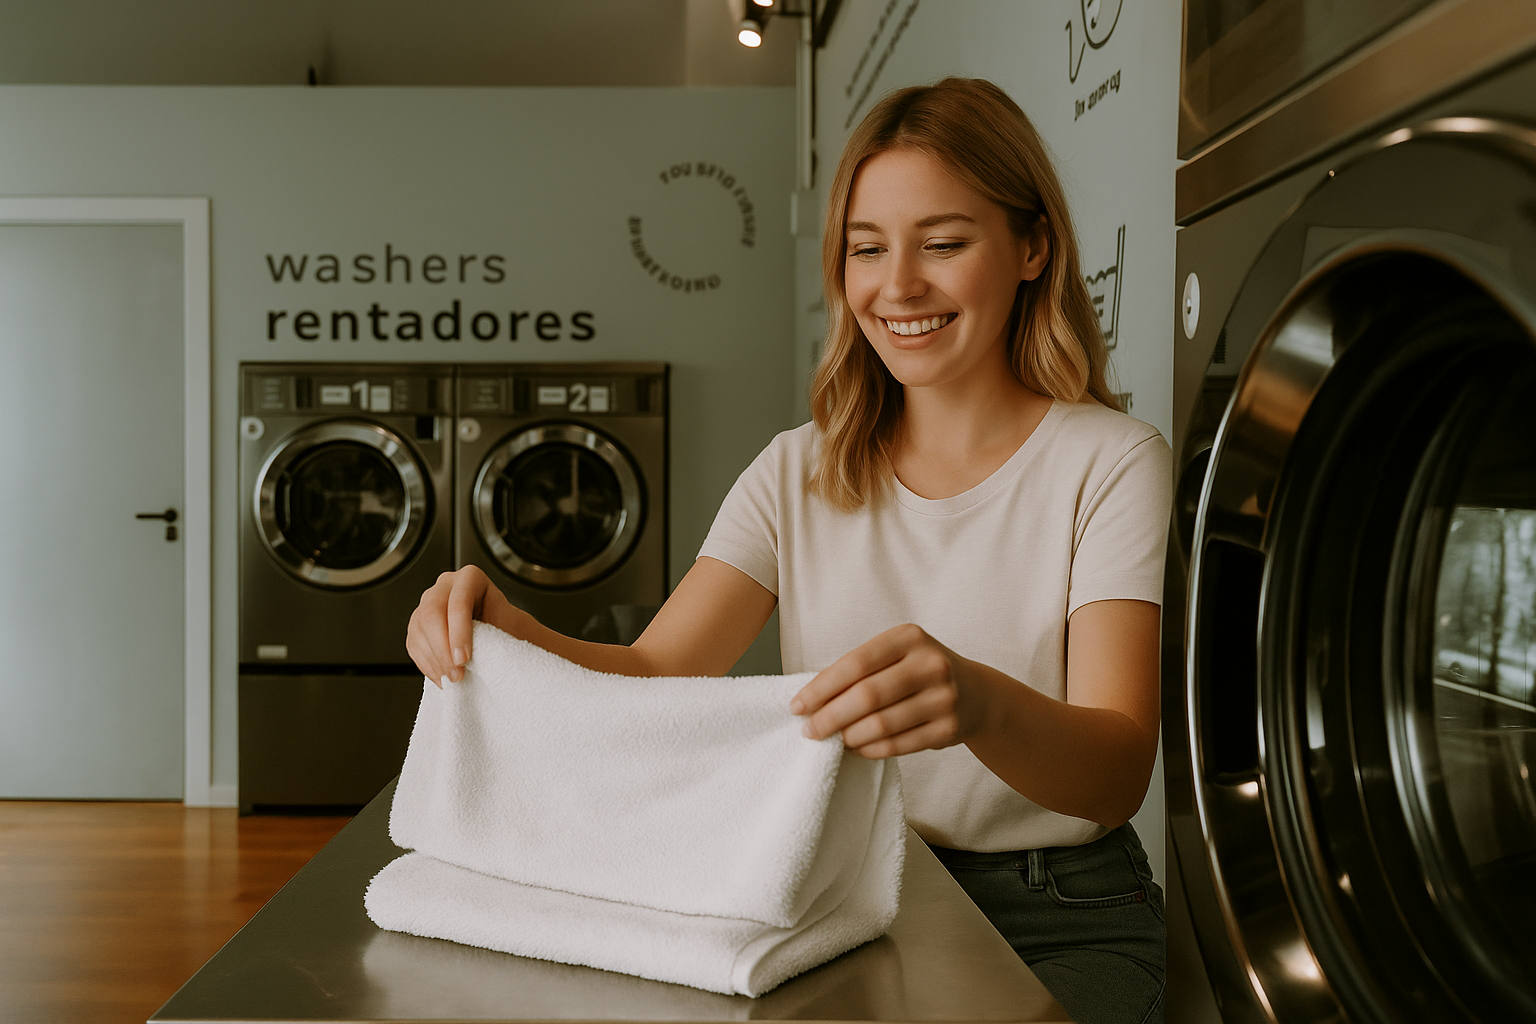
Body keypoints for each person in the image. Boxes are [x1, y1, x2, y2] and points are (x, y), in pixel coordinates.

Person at [407, 77, 1170, 1024]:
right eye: (866, 250)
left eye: (943, 243)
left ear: (1031, 248)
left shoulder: (1110, 461)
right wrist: (505, 631)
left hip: (1058, 913)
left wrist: (976, 702)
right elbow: (654, 673)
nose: (899, 286)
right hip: (835, 901)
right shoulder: (794, 472)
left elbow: (1119, 767)